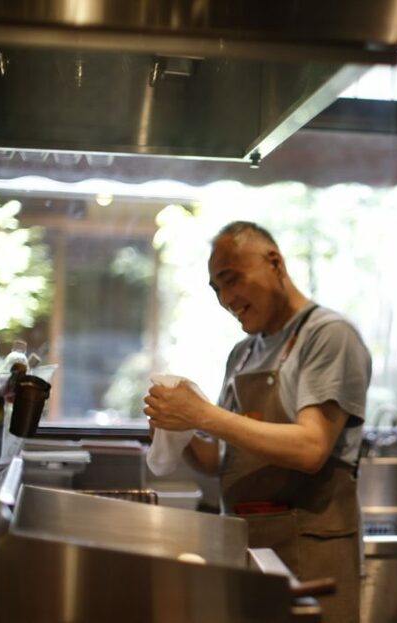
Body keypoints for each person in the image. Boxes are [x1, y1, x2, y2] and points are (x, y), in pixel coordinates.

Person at [144, 221, 372, 623]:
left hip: (312, 555)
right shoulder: (243, 354)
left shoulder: (328, 336)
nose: (226, 299)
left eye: (231, 280)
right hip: (250, 549)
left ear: (275, 263)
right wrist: (178, 431)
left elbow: (311, 447)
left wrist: (202, 414)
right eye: (216, 289)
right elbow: (220, 459)